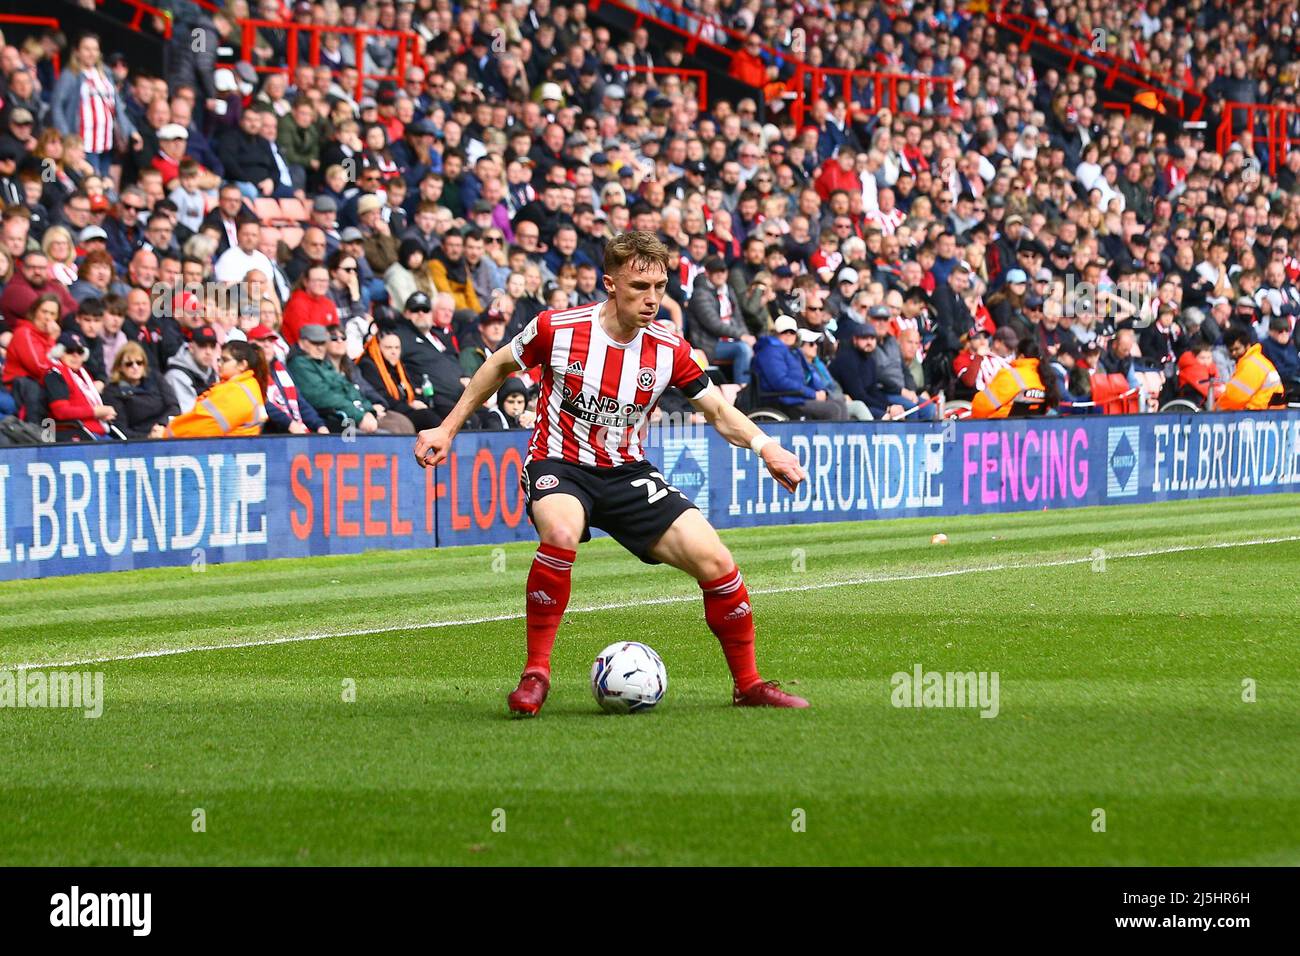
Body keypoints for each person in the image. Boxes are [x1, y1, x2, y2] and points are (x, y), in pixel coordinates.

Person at [413, 231, 810, 716]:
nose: (651, 299)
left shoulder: (670, 348)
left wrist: (767, 447)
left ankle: (747, 684)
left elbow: (718, 412)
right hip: (559, 462)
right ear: (609, 283)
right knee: (560, 531)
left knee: (716, 561)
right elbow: (496, 366)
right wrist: (447, 429)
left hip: (626, 472)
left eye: (660, 287)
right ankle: (536, 674)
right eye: (639, 286)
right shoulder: (556, 328)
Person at [164, 340, 270, 437]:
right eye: (219, 359)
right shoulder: (246, 385)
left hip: (230, 451)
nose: (219, 364)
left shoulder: (236, 392)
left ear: (242, 365)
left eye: (225, 360)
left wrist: (166, 433)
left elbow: (203, 425)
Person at [287, 323, 380, 433]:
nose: (319, 348)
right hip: (326, 421)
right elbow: (322, 397)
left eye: (322, 343)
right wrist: (359, 416)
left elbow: (348, 387)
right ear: (302, 343)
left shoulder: (322, 362)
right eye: (314, 343)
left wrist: (368, 410)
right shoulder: (299, 364)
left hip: (346, 417)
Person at [357, 328, 442, 430]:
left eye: (397, 348)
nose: (394, 352)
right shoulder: (368, 365)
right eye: (388, 347)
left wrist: (417, 401)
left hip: (404, 408)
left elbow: (410, 389)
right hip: (389, 411)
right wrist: (410, 406)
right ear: (377, 348)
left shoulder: (398, 366)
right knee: (427, 417)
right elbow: (382, 397)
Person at [44, 331, 116, 438]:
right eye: (70, 350)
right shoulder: (55, 375)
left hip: (99, 430)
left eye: (80, 351)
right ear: (59, 352)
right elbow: (61, 412)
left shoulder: (84, 374)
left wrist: (104, 414)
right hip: (78, 433)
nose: (75, 355)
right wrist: (95, 412)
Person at [102, 343, 180, 438]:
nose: (135, 367)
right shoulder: (112, 391)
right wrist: (149, 437)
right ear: (119, 367)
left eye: (139, 362)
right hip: (139, 441)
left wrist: (161, 425)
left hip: (165, 430)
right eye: (129, 364)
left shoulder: (156, 377)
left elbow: (174, 406)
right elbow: (121, 430)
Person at [970, 336, 1060, 418]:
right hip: (1031, 430)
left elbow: (981, 406)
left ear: (1021, 356)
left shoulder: (1010, 376)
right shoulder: (1044, 376)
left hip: (1001, 430)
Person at [1217, 327, 1285, 410]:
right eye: (1231, 350)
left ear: (1247, 346)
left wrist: (1216, 410)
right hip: (1271, 412)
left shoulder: (1250, 364)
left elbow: (1235, 397)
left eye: (1237, 349)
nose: (1234, 353)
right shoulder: (1256, 360)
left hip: (1261, 413)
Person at [165, 326, 221, 413]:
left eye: (212, 346)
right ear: (191, 347)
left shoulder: (211, 372)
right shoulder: (177, 375)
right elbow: (190, 415)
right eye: (202, 346)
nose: (208, 352)